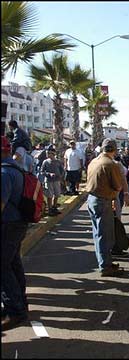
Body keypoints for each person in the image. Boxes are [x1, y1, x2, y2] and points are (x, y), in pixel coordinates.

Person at [1, 136, 30, 331]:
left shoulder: (3, 172)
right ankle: (20, 302)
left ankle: (15, 311)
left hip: (8, 224)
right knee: (13, 263)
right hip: (18, 223)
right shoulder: (17, 168)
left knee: (2, 267)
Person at [85, 138, 125, 277]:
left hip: (92, 199)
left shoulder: (94, 162)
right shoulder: (110, 164)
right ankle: (106, 266)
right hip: (103, 201)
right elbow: (117, 185)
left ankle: (104, 262)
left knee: (97, 234)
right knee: (105, 235)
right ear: (114, 150)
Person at [40, 147, 65, 216]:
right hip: (49, 181)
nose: (47, 154)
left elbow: (62, 170)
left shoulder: (58, 161)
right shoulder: (45, 162)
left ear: (53, 154)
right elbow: (42, 171)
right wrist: (49, 174)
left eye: (49, 153)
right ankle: (50, 209)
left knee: (57, 194)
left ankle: (54, 207)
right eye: (47, 153)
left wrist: (61, 176)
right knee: (49, 195)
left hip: (56, 180)